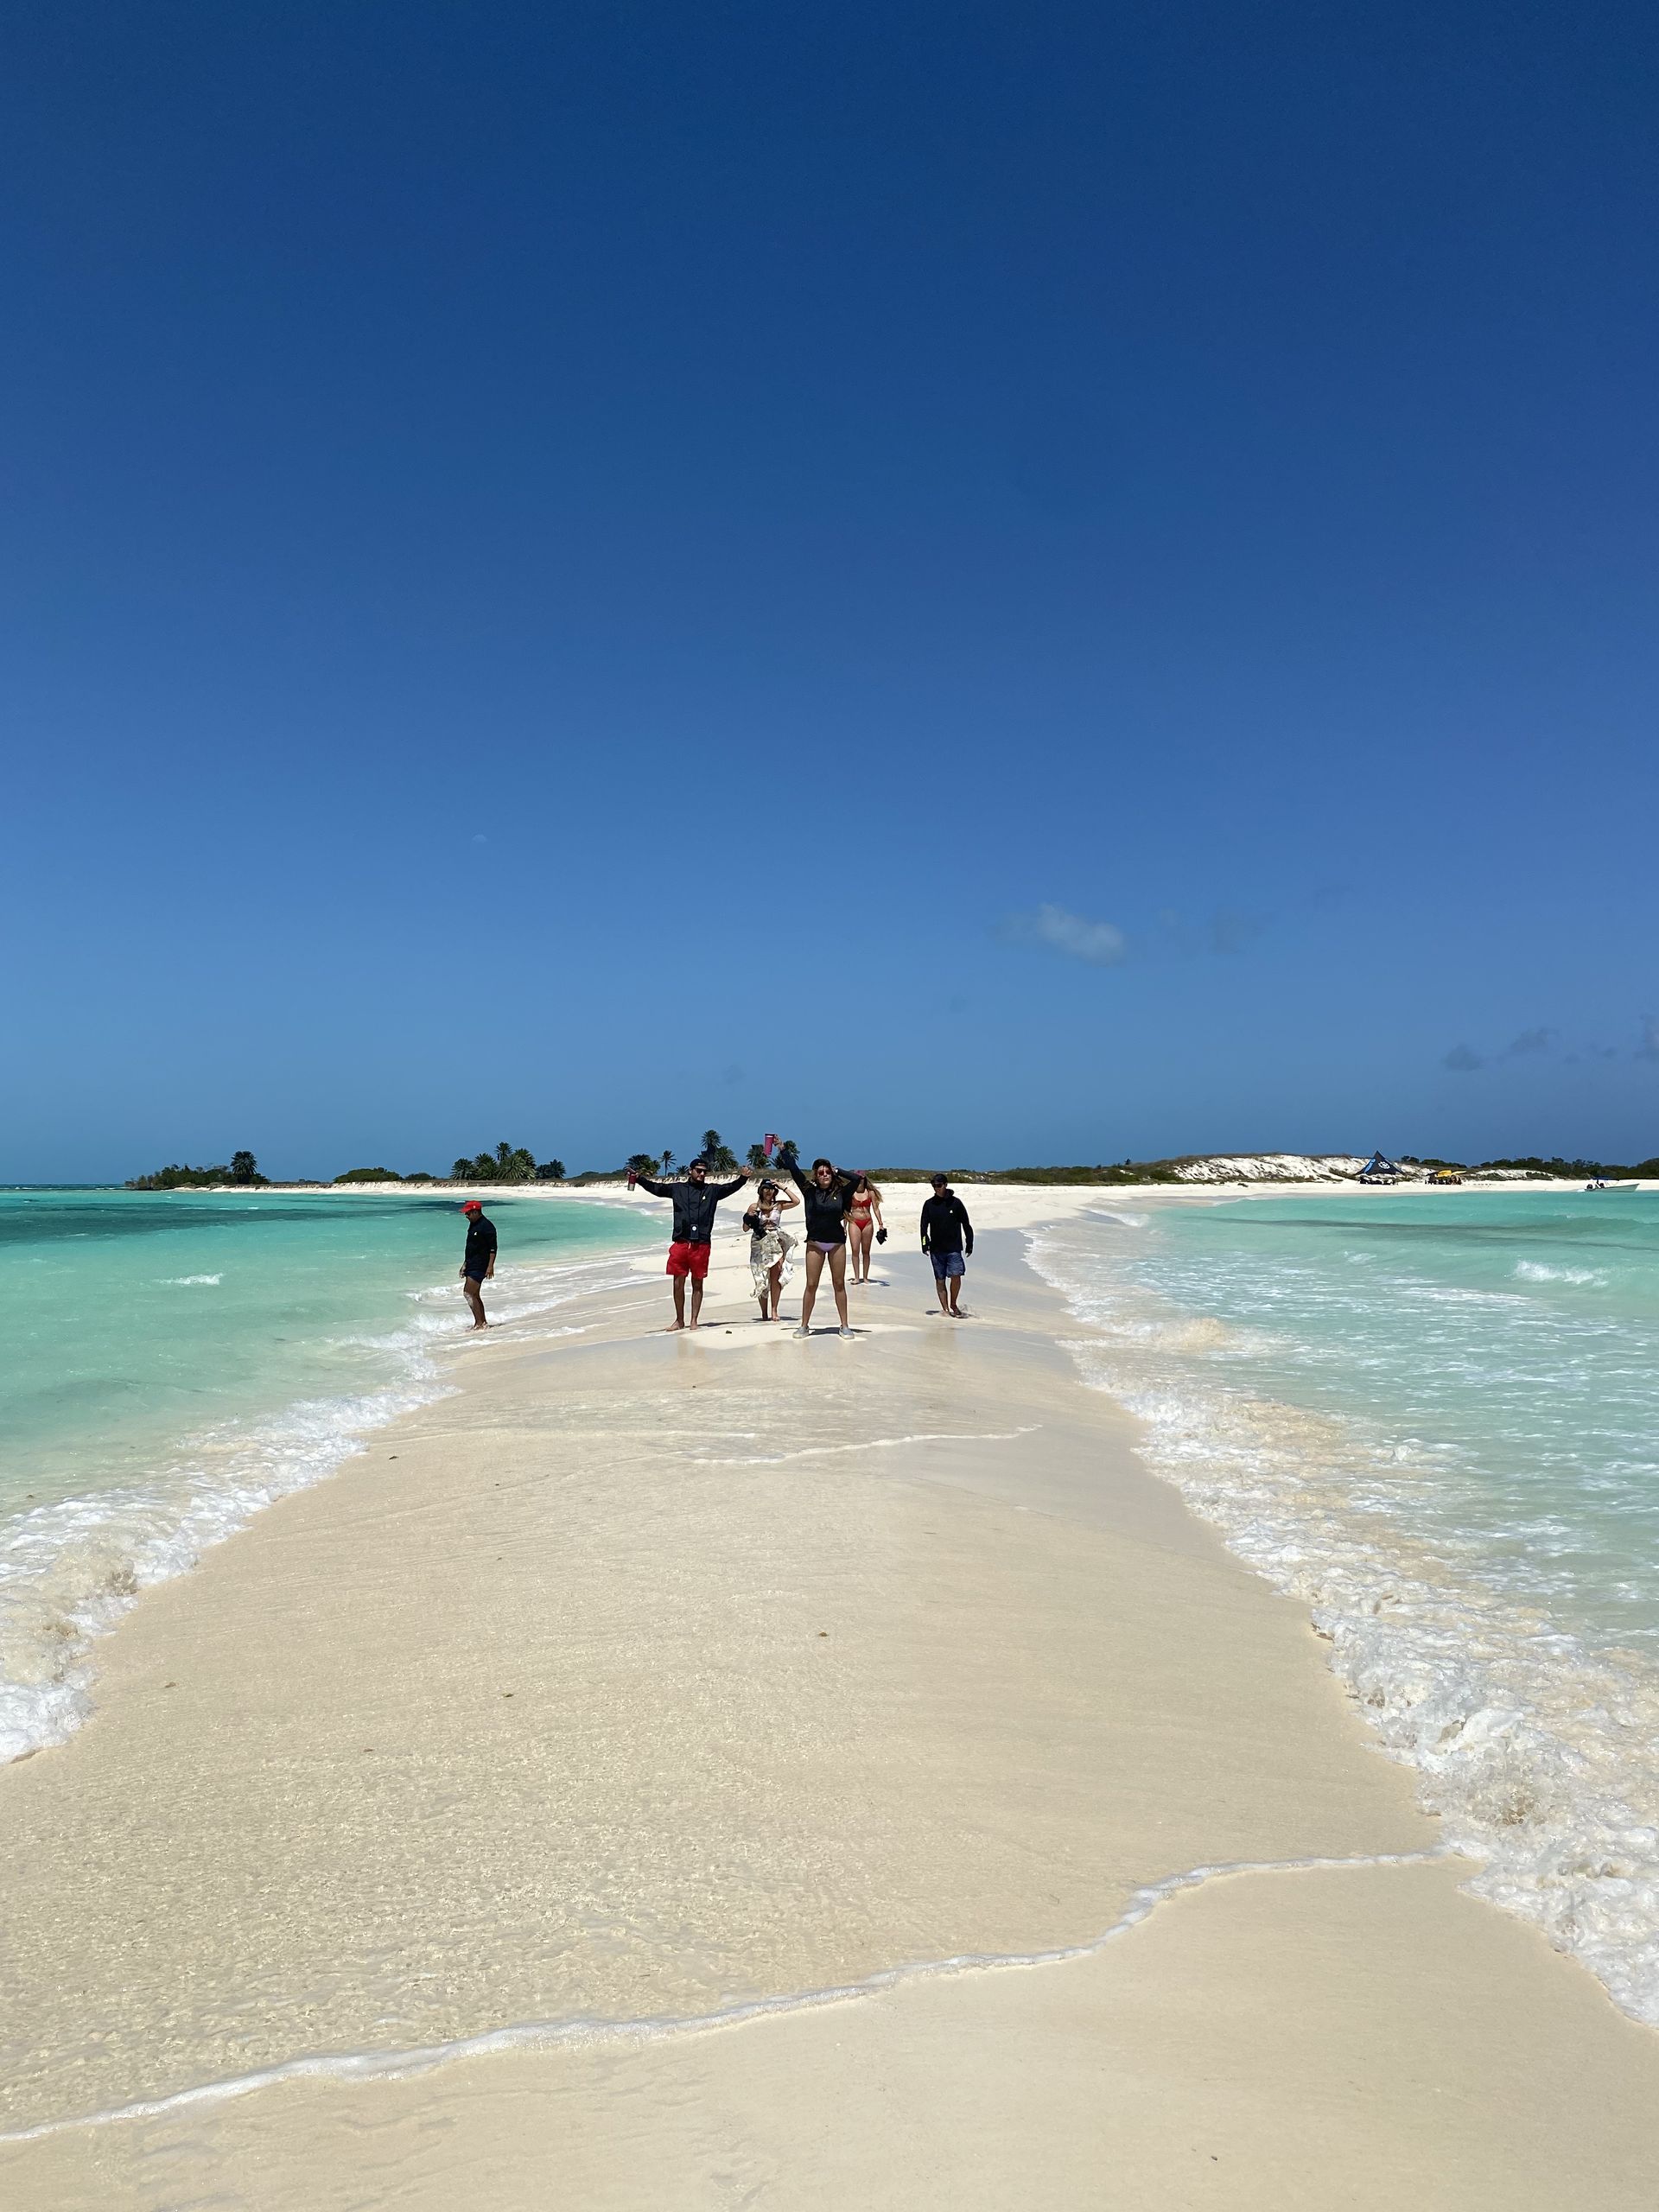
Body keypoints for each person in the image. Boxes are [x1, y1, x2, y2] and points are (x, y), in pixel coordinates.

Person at [633, 1155, 747, 1329]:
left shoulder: (712, 1191)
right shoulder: (677, 1189)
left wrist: (744, 1178)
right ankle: (679, 1320)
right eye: (698, 1171)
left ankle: (694, 1320)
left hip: (701, 1243)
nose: (702, 1174)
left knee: (698, 1282)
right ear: (690, 1171)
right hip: (681, 1242)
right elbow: (656, 1188)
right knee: (678, 1282)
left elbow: (730, 1187)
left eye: (704, 1172)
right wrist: (639, 1179)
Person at [788, 1156, 857, 1338]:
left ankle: (844, 1325)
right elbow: (794, 1171)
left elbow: (858, 1179)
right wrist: (783, 1150)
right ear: (816, 1176)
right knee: (811, 1284)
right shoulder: (809, 1191)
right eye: (821, 1173)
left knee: (839, 1284)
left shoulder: (841, 1193)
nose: (825, 1175)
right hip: (815, 1244)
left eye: (827, 1172)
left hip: (836, 1244)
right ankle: (804, 1325)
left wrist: (838, 1170)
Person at [741, 1177, 799, 1320]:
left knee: (776, 1277)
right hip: (758, 1242)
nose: (768, 1192)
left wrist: (781, 1185)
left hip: (775, 1241)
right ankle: (764, 1313)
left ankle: (774, 1310)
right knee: (760, 1277)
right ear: (761, 1191)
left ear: (775, 1191)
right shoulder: (754, 1207)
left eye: (771, 1189)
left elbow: (796, 1201)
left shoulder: (778, 1206)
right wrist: (748, 1218)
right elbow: (745, 1229)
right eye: (766, 1189)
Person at [919, 1173, 974, 1317]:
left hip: (954, 1248)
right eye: (934, 1186)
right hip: (936, 1249)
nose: (936, 1188)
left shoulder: (956, 1203)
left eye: (939, 1185)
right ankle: (945, 1310)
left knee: (956, 1275)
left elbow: (966, 1224)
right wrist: (925, 1245)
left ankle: (953, 1303)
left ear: (945, 1185)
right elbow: (923, 1227)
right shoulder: (929, 1204)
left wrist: (970, 1243)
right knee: (940, 1279)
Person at [458, 1198, 496, 1329]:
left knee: (468, 1293)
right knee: (474, 1294)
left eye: (468, 1213)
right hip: (472, 1263)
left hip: (481, 1265)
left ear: (476, 1212)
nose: (466, 1216)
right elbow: (472, 1247)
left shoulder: (487, 1226)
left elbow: (493, 1248)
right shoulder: (473, 1224)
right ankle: (482, 1322)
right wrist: (465, 1264)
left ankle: (478, 1323)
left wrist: (490, 1266)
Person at [845, 1173, 885, 1285]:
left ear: (864, 1179)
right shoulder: (851, 1192)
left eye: (861, 1178)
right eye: (857, 1178)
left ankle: (866, 1277)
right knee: (855, 1250)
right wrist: (844, 1226)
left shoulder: (870, 1192)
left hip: (868, 1223)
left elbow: (876, 1209)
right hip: (854, 1222)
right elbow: (846, 1210)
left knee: (866, 1251)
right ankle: (857, 1277)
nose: (860, 1180)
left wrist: (880, 1224)